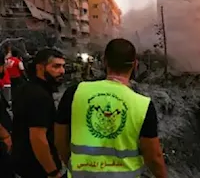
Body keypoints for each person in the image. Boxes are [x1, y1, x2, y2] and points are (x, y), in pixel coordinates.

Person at [55, 38, 167, 179]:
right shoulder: (143, 105)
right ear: (135, 65)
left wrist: (73, 166)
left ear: (104, 61)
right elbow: (154, 156)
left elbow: (59, 139)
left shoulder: (75, 92)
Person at [12, 48, 66, 179]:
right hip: (37, 169)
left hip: (22, 164)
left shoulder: (26, 88)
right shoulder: (39, 96)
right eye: (56, 66)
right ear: (40, 68)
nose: (62, 71)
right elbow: (38, 138)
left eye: (63, 66)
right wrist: (52, 172)